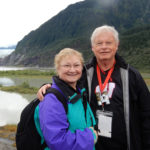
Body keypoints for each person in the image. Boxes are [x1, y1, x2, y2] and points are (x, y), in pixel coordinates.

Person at [37, 25, 150, 150]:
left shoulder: (131, 75)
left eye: (108, 42)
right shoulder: (84, 73)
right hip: (93, 144)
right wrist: (48, 87)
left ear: (116, 45)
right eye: (99, 43)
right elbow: (66, 83)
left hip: (126, 144)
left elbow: (146, 113)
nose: (104, 47)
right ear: (93, 47)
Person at [34, 48, 98, 150]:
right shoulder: (51, 100)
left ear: (82, 68)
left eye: (76, 65)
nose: (72, 70)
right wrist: (90, 136)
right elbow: (57, 141)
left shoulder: (79, 93)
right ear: (58, 68)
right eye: (67, 65)